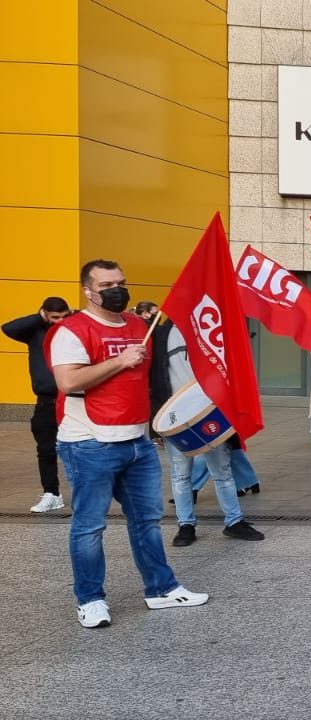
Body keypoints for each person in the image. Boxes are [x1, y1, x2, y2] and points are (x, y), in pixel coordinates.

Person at [49, 259, 209, 628]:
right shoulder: (72, 331)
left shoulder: (139, 325)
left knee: (147, 521)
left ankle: (161, 589)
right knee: (90, 526)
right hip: (89, 442)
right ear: (88, 291)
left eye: (120, 282)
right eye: (106, 285)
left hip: (137, 441)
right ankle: (90, 600)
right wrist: (120, 360)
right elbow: (68, 382)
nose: (116, 290)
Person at [148, 319, 266, 547]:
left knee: (222, 471)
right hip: (175, 416)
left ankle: (234, 521)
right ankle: (185, 524)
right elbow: (156, 379)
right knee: (181, 474)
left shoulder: (209, 327)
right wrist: (156, 424)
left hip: (210, 411)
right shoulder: (162, 332)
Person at [5, 297, 72, 513]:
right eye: (55, 317)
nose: (60, 321)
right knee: (46, 450)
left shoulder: (73, 330)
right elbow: (8, 328)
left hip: (73, 400)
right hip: (45, 401)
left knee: (79, 449)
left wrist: (72, 316)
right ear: (45, 314)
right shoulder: (35, 332)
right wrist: (39, 318)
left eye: (64, 316)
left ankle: (87, 492)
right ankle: (51, 493)